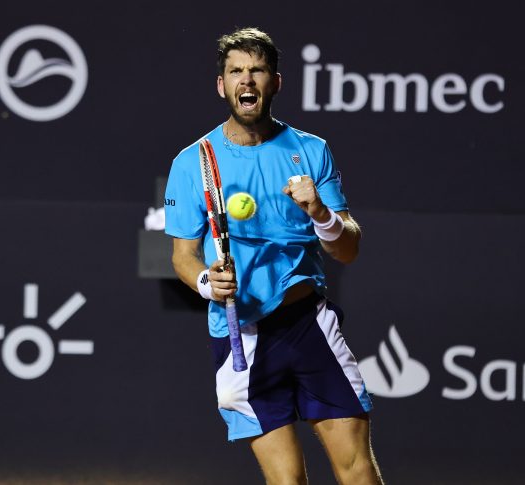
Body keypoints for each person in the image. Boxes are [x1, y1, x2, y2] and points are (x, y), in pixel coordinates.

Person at [164, 27, 384, 485]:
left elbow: (348, 248)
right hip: (241, 336)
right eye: (236, 72)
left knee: (357, 472)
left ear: (275, 83)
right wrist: (207, 282)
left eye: (257, 70)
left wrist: (321, 213)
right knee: (287, 482)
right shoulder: (192, 161)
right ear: (222, 86)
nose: (247, 80)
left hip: (309, 326)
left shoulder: (311, 150)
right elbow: (183, 256)